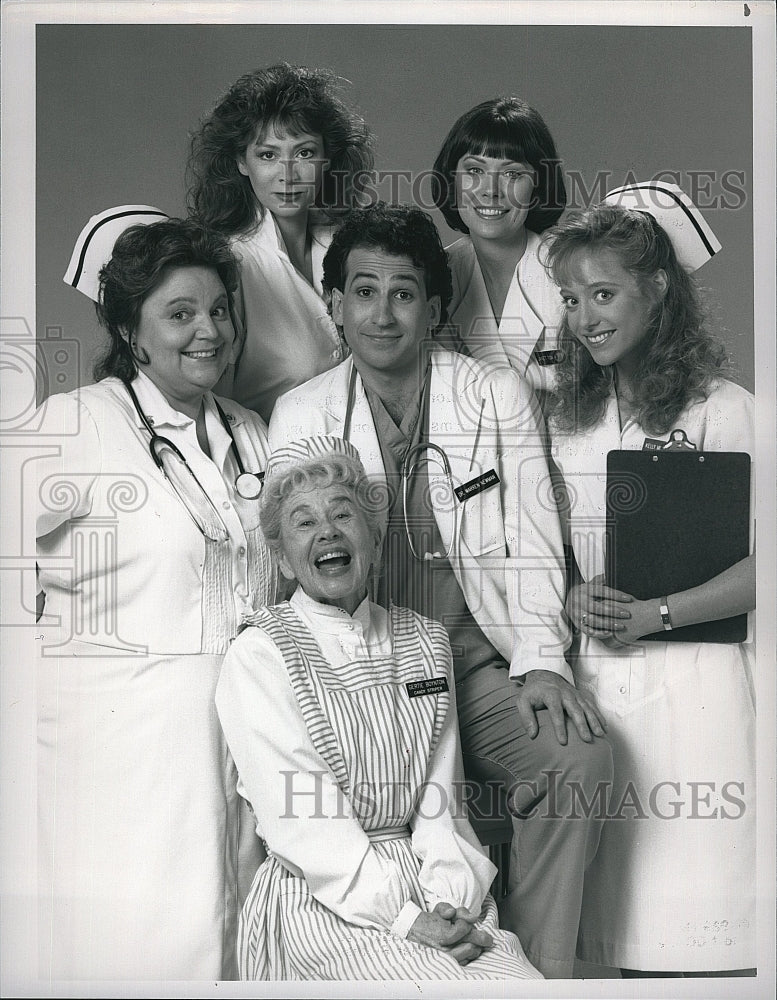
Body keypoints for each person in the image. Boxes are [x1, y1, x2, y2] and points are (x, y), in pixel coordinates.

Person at [267, 202, 613, 978]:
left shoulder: (491, 395)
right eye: (362, 292)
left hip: (473, 659)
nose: (381, 313)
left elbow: (531, 541)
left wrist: (542, 662)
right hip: (371, 679)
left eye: (402, 293)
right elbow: (297, 555)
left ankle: (536, 974)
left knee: (578, 760)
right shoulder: (303, 411)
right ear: (333, 304)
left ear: (431, 306)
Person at [36, 216, 275, 980]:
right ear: (129, 330)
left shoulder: (251, 431)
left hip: (239, 735)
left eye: (218, 310)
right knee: (138, 955)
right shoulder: (78, 425)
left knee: (234, 944)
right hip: (122, 752)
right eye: (179, 314)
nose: (207, 330)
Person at [215, 435, 543, 981]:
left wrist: (449, 904)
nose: (328, 532)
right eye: (303, 522)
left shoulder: (426, 642)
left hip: (431, 885)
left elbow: (442, 803)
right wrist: (406, 918)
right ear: (285, 562)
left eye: (343, 514)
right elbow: (304, 823)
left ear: (373, 538)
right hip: (325, 897)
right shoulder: (261, 654)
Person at [542, 184, 756, 976]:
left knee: (698, 930)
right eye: (570, 298)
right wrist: (570, 595)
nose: (585, 316)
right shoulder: (570, 419)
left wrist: (660, 614)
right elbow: (551, 551)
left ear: (657, 289)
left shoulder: (725, 411)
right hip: (598, 687)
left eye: (603, 293)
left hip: (699, 690)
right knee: (609, 939)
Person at [187, 62, 375, 421]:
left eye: (304, 153)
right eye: (268, 155)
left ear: (327, 159)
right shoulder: (228, 265)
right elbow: (209, 409)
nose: (288, 176)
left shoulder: (353, 245)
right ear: (241, 161)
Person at [431, 97, 566, 404]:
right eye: (474, 171)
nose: (490, 190)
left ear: (538, 185)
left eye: (512, 174)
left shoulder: (571, 270)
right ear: (451, 180)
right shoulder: (432, 276)